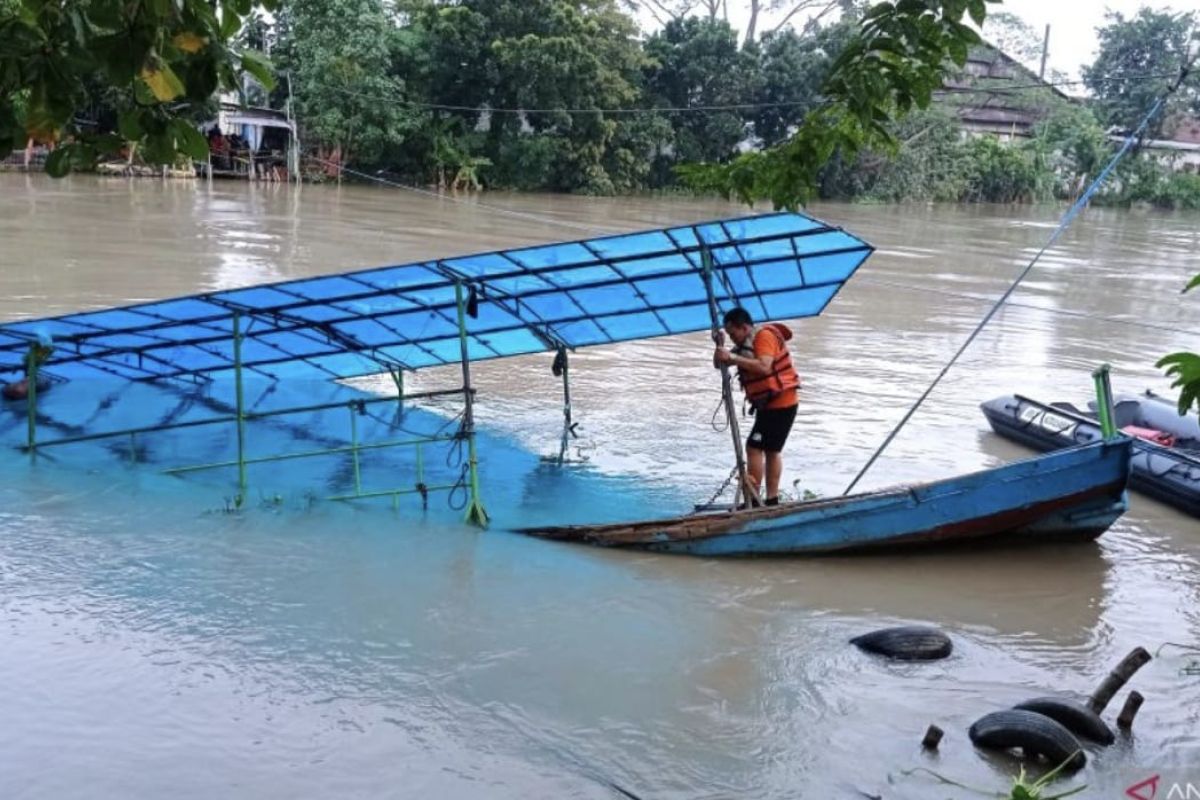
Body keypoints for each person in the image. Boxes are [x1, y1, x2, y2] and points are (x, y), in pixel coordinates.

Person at [712, 307, 800, 507]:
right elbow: (720, 364)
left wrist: (732, 358)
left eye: (733, 334)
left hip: (781, 403)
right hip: (770, 405)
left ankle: (753, 499)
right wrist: (720, 345)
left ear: (744, 327)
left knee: (754, 447)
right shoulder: (744, 344)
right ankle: (770, 500)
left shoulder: (763, 337)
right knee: (770, 450)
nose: (733, 339)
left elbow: (764, 366)